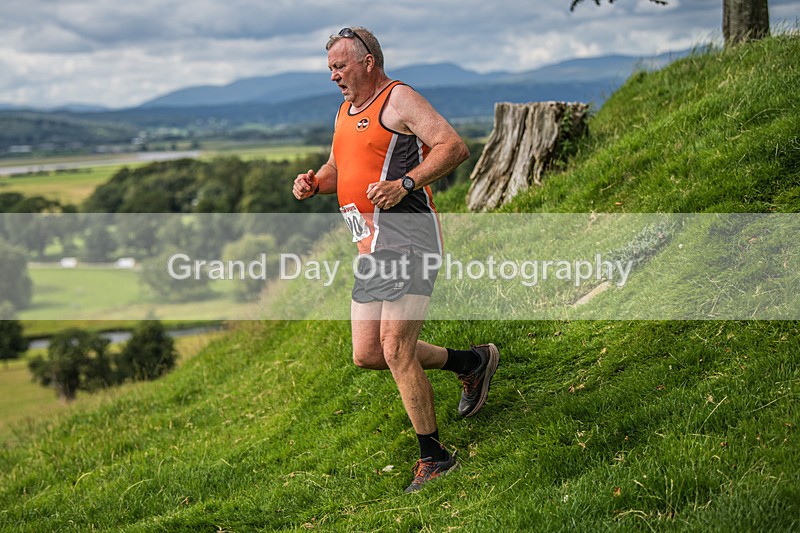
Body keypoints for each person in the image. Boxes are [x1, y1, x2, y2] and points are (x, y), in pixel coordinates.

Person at [292, 26, 499, 493]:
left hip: (410, 238)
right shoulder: (345, 110)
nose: (333, 76)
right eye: (330, 68)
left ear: (368, 62)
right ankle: (471, 363)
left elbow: (453, 146)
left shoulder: (398, 99)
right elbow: (339, 167)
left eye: (340, 66)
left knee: (396, 348)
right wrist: (314, 182)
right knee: (367, 354)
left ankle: (435, 457)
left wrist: (405, 184)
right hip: (371, 246)